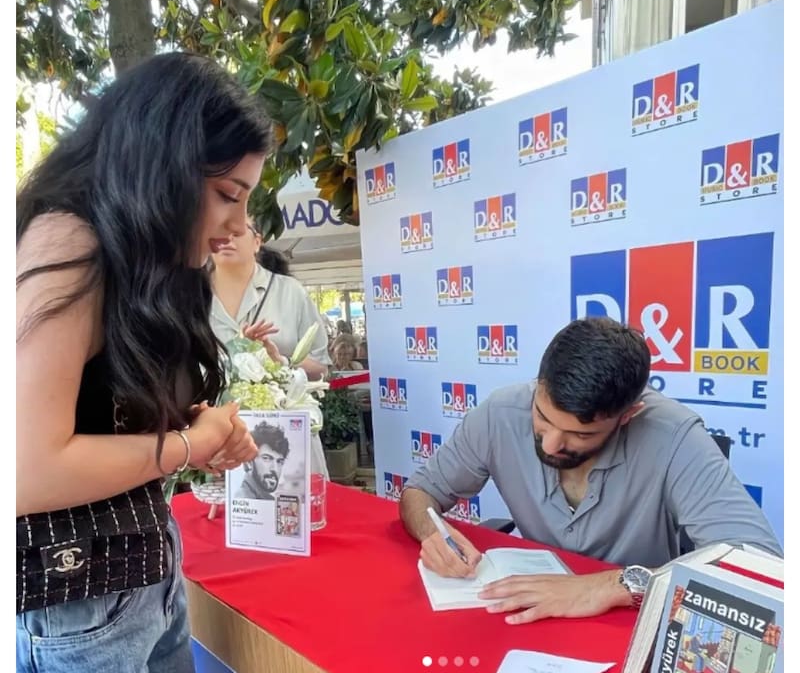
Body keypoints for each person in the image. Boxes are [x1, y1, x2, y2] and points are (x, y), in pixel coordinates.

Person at [16, 52, 271, 673]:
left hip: (143, 569)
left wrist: (194, 427)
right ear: (162, 164)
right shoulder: (67, 241)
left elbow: (102, 413)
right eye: (225, 195)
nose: (237, 225)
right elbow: (26, 470)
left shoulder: (145, 261)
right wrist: (187, 445)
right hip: (78, 596)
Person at [400, 317, 782, 626]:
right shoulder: (500, 413)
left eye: (580, 434)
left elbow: (758, 567)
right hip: (525, 617)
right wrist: (432, 531)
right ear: (539, 384)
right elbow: (421, 491)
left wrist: (609, 587)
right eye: (543, 418)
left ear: (628, 416)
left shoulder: (675, 437)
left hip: (629, 622)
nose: (550, 445)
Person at [209, 222, 330, 380]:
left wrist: (280, 362)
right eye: (218, 230)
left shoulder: (291, 292)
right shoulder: (186, 295)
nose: (227, 238)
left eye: (238, 230)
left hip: (277, 403)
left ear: (257, 242)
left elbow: (321, 368)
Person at [234, 422, 289, 500]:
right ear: (248, 461)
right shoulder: (243, 497)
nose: (275, 469)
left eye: (279, 461)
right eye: (266, 458)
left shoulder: (267, 499)